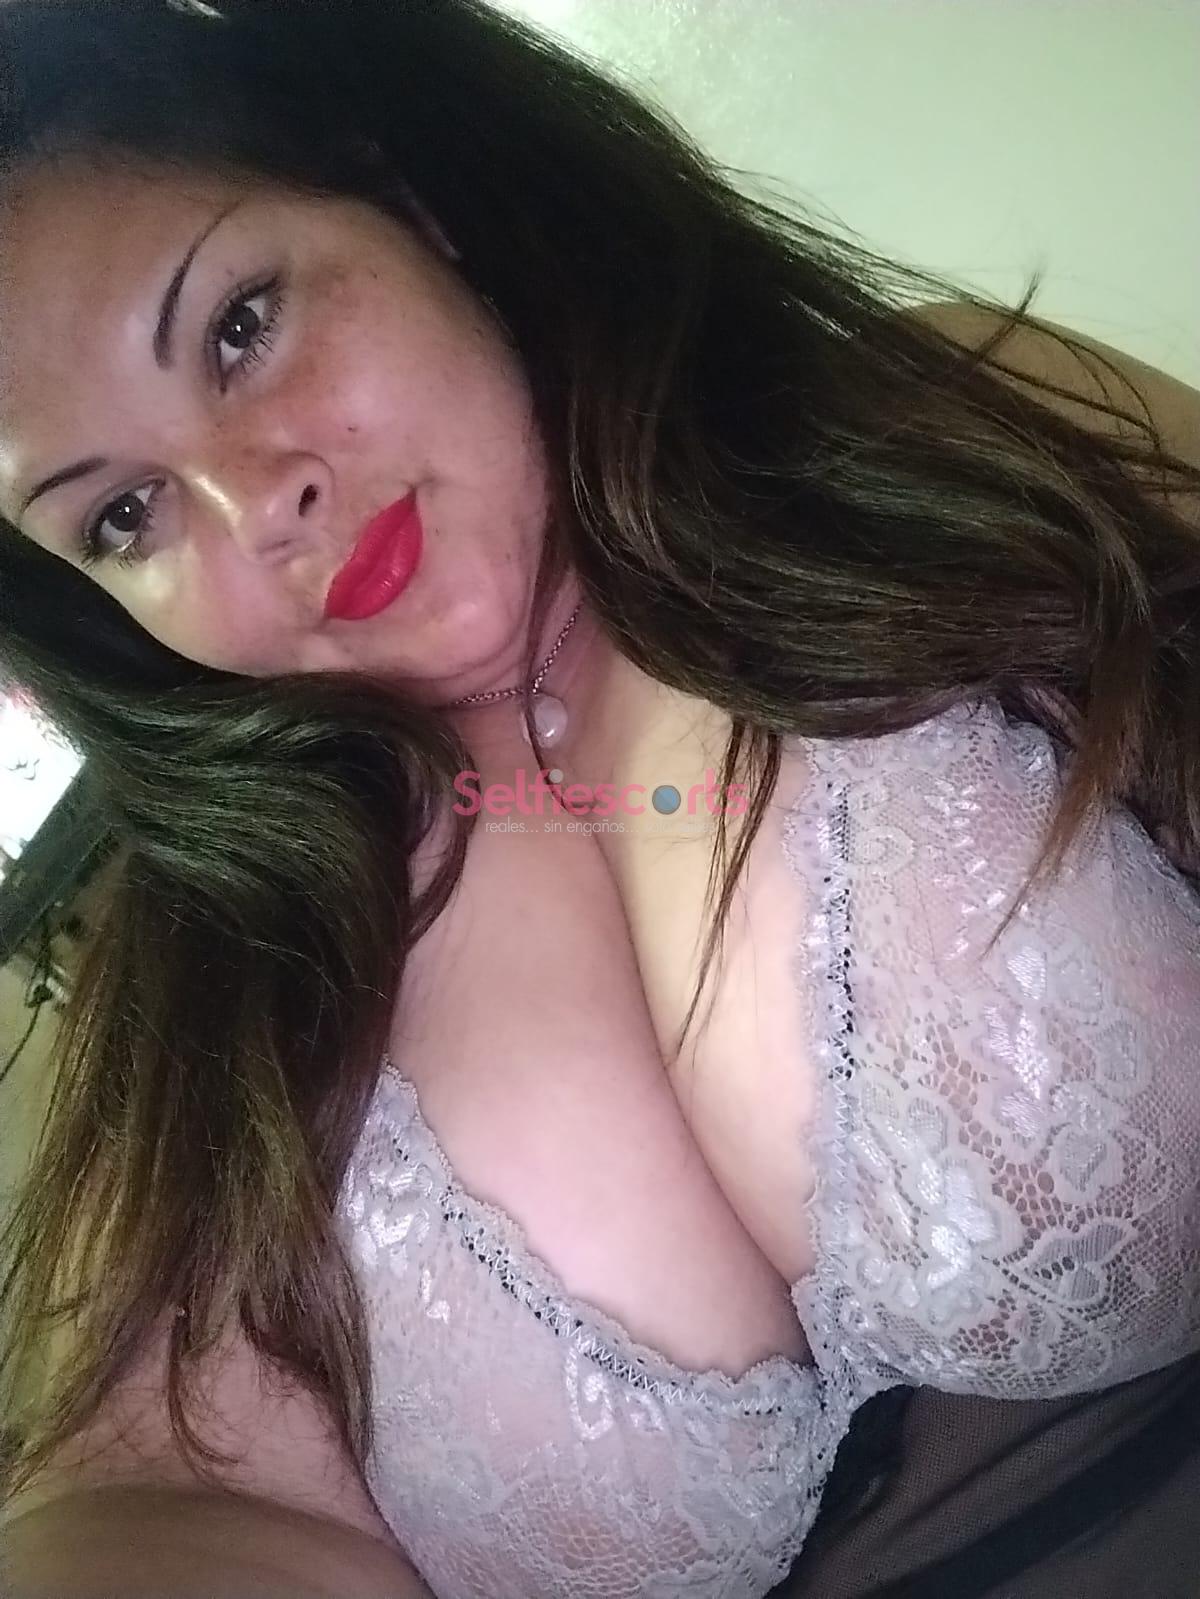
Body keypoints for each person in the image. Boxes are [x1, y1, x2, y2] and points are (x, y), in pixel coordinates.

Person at [0, 2, 1198, 1595]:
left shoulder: (929, 434)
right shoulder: (211, 974)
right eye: (126, 513)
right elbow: (140, 1509)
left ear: (403, 202)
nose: (254, 501)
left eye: (240, 327)